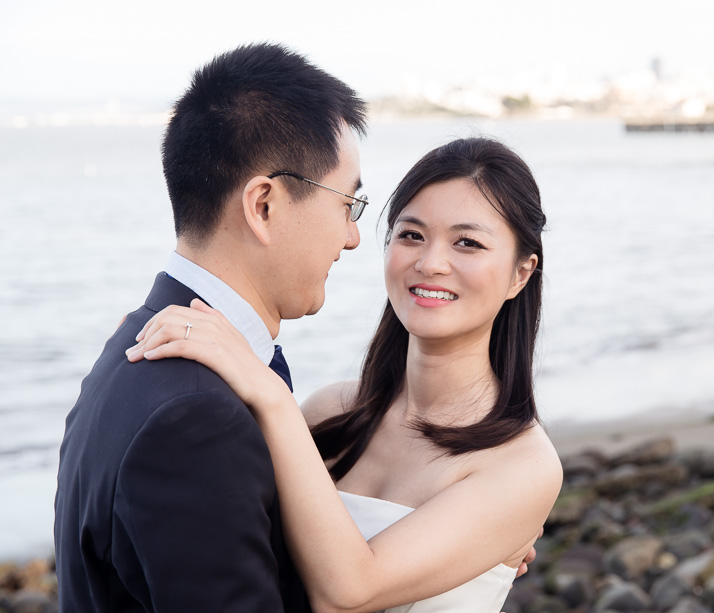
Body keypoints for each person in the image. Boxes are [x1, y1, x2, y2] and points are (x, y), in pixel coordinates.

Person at [128, 137, 563, 612]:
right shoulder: (328, 413)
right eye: (411, 235)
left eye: (468, 243)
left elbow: (350, 592)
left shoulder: (522, 465)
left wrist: (268, 393)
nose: (431, 263)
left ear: (521, 274)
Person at [54, 43, 367, 611]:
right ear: (263, 205)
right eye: (348, 203)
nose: (353, 237)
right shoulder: (195, 417)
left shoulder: (129, 345)